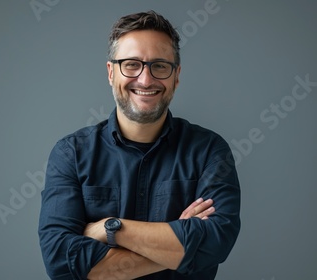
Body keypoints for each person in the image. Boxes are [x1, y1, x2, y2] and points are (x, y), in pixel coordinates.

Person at [38, 10, 241, 280]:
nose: (145, 80)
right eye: (131, 64)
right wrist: (179, 246)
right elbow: (61, 264)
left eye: (159, 65)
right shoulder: (71, 154)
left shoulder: (209, 152)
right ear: (111, 72)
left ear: (176, 76)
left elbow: (215, 243)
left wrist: (112, 228)